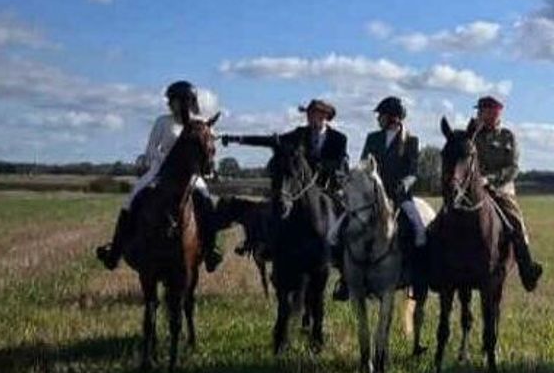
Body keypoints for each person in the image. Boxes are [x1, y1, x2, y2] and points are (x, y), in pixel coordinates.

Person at [222, 99, 350, 293]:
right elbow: (273, 141)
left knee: (347, 216)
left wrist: (323, 166)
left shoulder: (339, 138)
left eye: (314, 114)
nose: (310, 118)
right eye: (308, 114)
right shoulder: (299, 134)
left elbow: (341, 164)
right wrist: (237, 139)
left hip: (328, 188)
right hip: (299, 189)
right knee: (274, 206)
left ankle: (345, 267)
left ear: (325, 116)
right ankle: (262, 243)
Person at [95, 80, 220, 273]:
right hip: (160, 170)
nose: (170, 104)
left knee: (207, 202)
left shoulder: (200, 123)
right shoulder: (162, 121)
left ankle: (211, 250)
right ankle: (116, 250)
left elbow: (209, 147)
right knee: (132, 199)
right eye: (170, 100)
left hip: (191, 173)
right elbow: (151, 148)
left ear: (186, 101)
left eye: (174, 100)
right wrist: (166, 160)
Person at [467, 95, 543, 292]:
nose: (478, 114)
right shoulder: (474, 134)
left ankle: (527, 269)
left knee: (515, 221)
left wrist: (490, 180)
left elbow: (513, 168)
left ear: (494, 113)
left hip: (501, 187)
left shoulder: (508, 137)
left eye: (481, 111)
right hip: (475, 185)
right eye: (478, 111)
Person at [361, 96, 425, 251]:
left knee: (417, 225)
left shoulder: (411, 140)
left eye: (381, 115)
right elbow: (363, 162)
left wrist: (404, 184)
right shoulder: (373, 138)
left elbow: (413, 170)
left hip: (399, 193)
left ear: (392, 117)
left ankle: (420, 254)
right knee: (346, 218)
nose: (378, 118)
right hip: (374, 191)